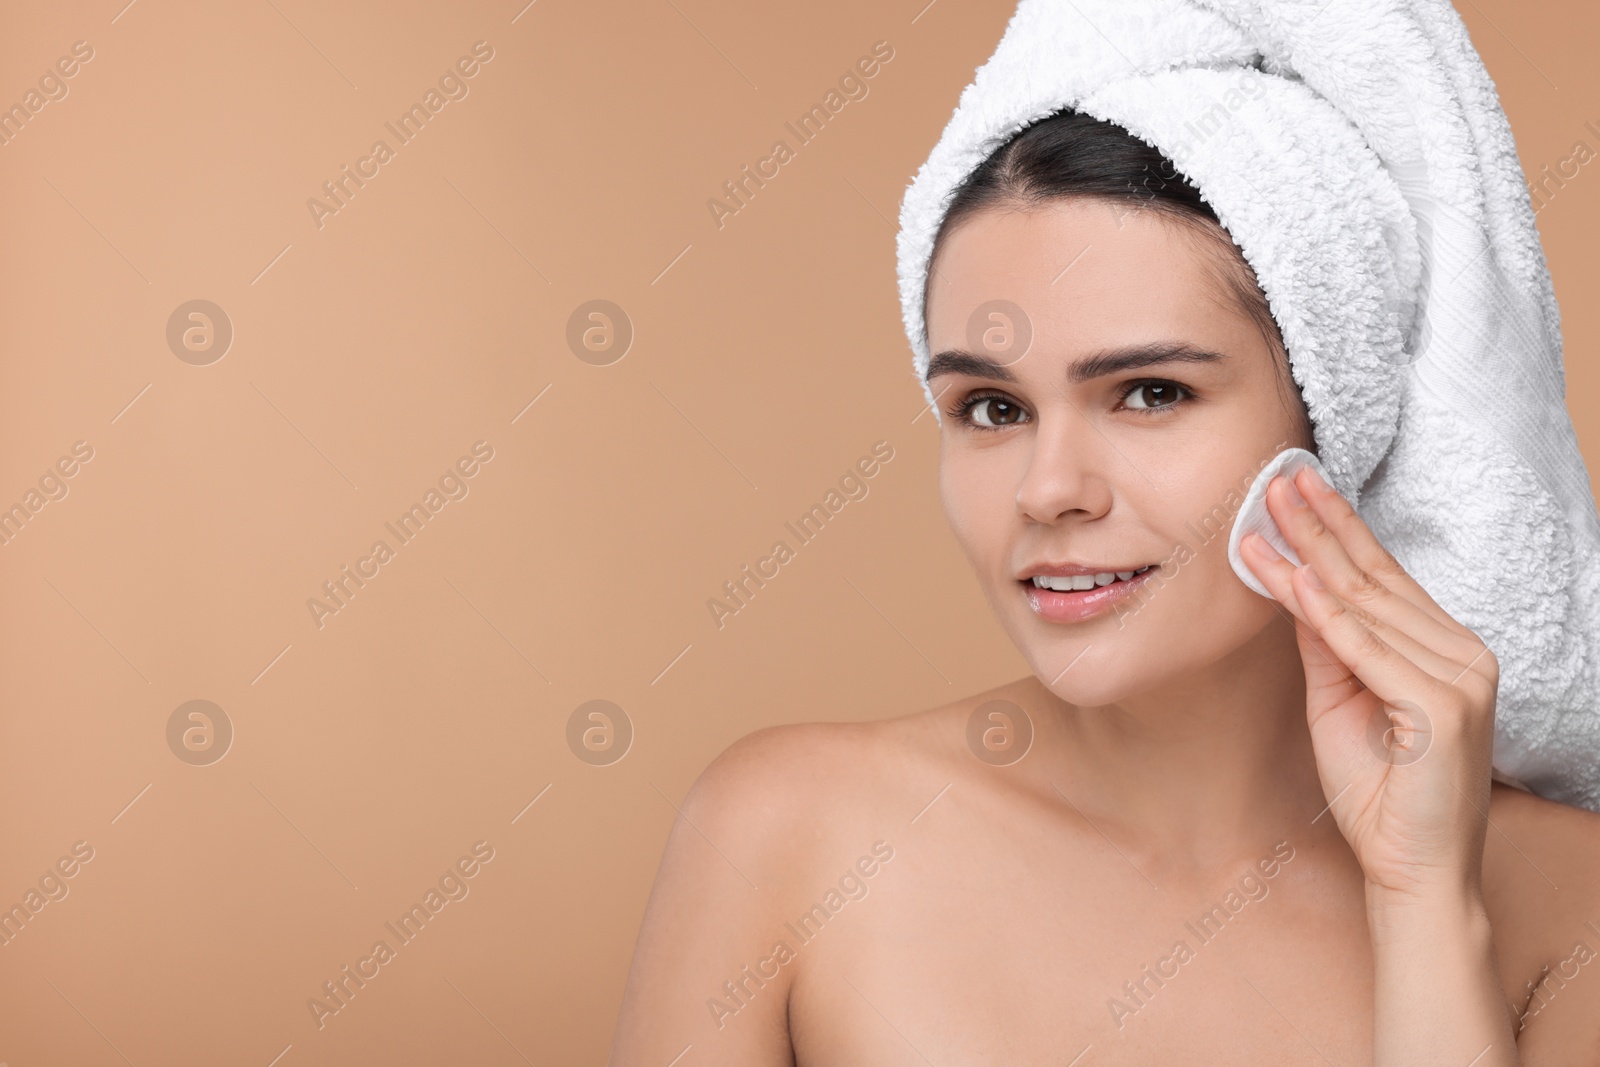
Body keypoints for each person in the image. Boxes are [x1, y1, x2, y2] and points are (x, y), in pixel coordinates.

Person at [608, 107, 1600, 1064]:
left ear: (1335, 421)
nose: (1047, 490)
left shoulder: (1567, 904)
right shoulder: (792, 833)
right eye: (991, 407)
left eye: (1150, 392)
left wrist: (1426, 903)